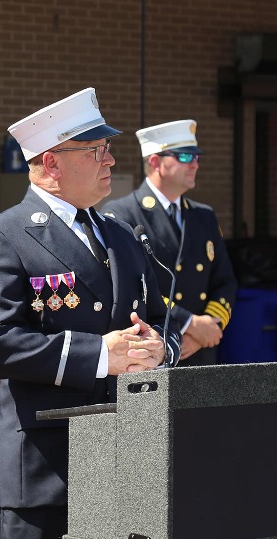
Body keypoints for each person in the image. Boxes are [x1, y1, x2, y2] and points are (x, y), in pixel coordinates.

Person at [0, 88, 180, 539]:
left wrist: (159, 349)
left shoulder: (119, 235)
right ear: (51, 163)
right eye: (95, 151)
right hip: (46, 460)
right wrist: (100, 355)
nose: (111, 160)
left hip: (121, 457)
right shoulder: (1, 237)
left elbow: (160, 319)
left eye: (108, 149)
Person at [103, 119, 237, 365]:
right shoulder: (123, 214)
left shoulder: (204, 216)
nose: (195, 164)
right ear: (156, 162)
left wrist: (206, 330)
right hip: (154, 350)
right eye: (185, 156)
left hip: (201, 353)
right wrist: (188, 324)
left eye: (197, 157)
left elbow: (224, 281)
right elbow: (132, 286)